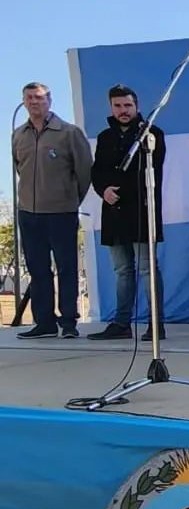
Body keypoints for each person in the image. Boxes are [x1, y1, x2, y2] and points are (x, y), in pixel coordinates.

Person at [86, 84, 167, 342]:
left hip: (141, 212)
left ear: (136, 106)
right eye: (118, 106)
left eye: (128, 105)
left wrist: (121, 189)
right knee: (122, 270)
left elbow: (153, 173)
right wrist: (104, 190)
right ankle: (121, 324)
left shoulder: (151, 134)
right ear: (111, 107)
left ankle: (156, 324)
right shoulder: (105, 137)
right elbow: (97, 171)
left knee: (147, 269)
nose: (123, 110)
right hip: (113, 213)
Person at [12, 82, 92, 340]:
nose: (34, 102)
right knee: (37, 269)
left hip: (61, 213)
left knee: (67, 268)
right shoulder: (18, 135)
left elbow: (84, 172)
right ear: (24, 101)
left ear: (49, 100)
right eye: (29, 98)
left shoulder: (69, 133)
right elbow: (20, 168)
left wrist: (70, 200)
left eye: (39, 97)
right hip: (29, 213)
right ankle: (44, 322)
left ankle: (68, 322)